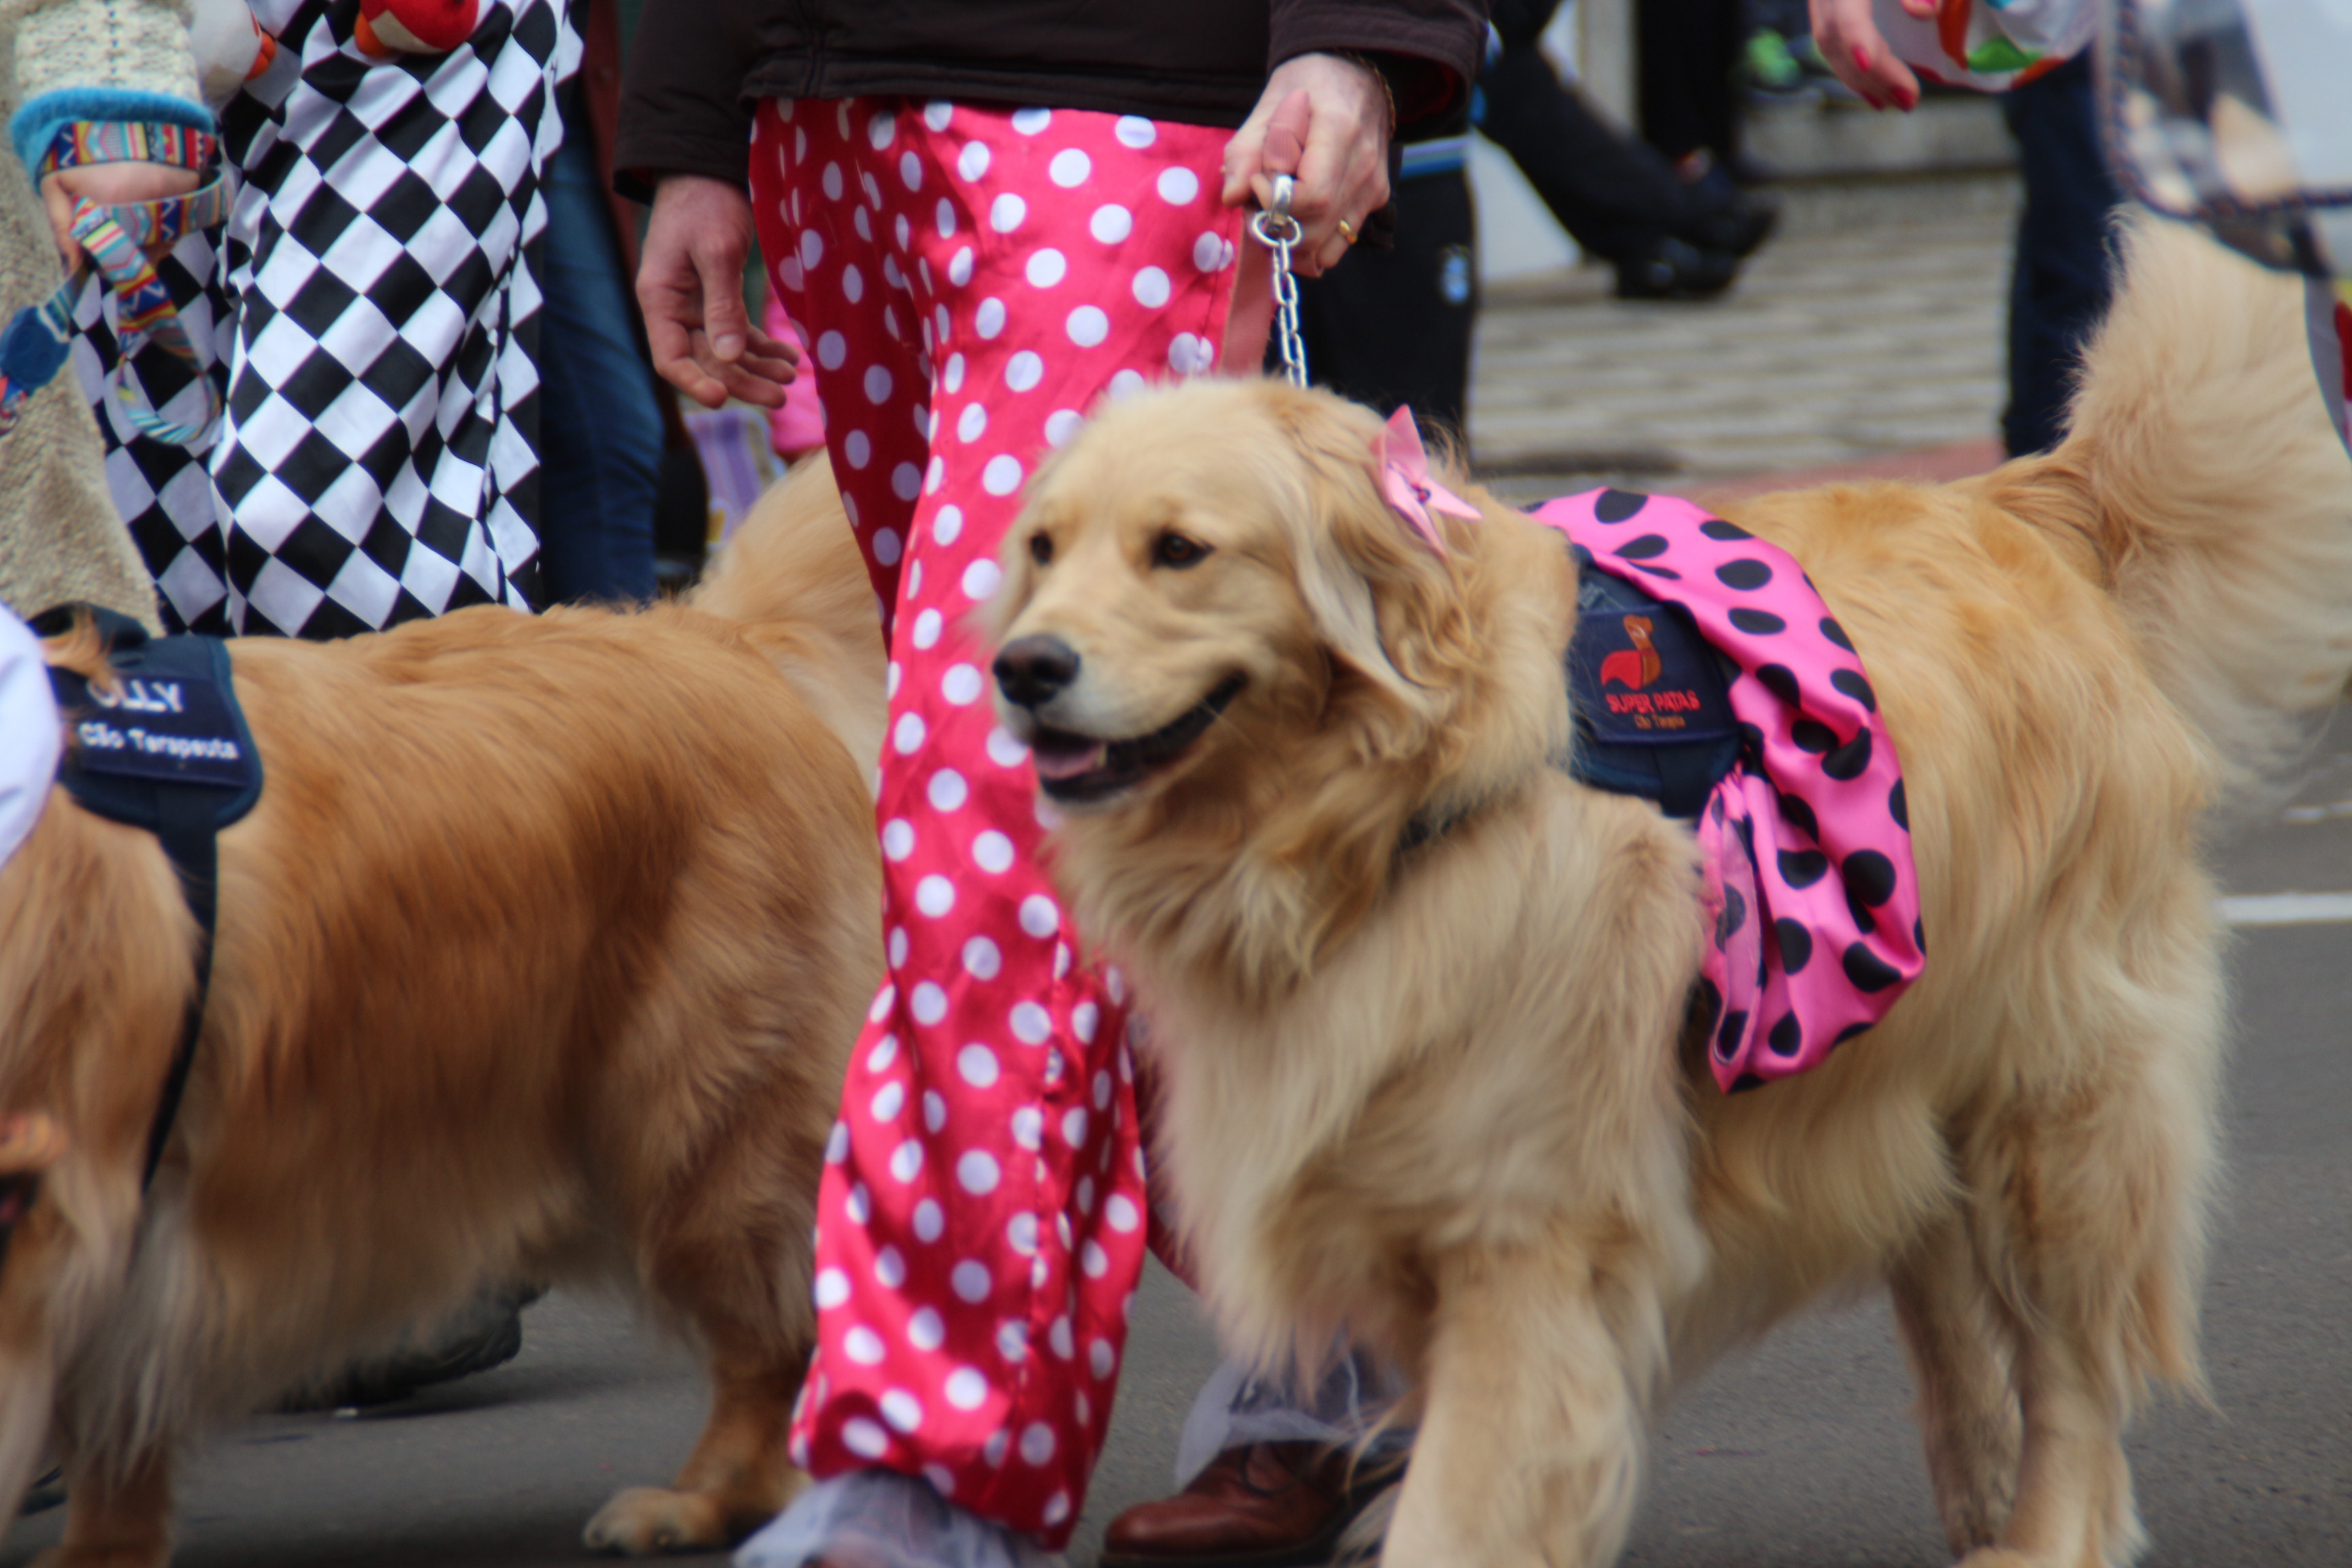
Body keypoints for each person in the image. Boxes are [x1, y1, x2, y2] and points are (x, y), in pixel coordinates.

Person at [617, 6, 1482, 1565]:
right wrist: (690, 126)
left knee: (991, 803)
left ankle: (928, 1471)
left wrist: (1358, 33)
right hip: (828, 115)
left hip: (1107, 96)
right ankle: (1357, 1332)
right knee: (1134, 797)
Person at [69, 0, 581, 637]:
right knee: (139, 540)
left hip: (423, 36)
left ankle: (434, 704)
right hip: (140, 25)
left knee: (317, 528)